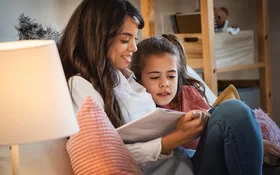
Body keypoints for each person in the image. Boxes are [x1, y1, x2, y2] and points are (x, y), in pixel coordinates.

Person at [58, 0, 263, 174]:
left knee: (233, 113)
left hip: (184, 162)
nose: (134, 48)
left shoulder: (121, 77)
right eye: (125, 40)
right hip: (171, 167)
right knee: (233, 113)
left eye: (134, 39)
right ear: (98, 37)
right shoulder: (81, 86)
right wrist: (175, 138)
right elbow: (109, 155)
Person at [130, 33, 280, 174]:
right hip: (182, 166)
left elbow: (217, 126)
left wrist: (255, 142)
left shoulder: (187, 93)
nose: (165, 84)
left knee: (235, 109)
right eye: (155, 77)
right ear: (139, 79)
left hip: (206, 157)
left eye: (171, 76)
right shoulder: (138, 104)